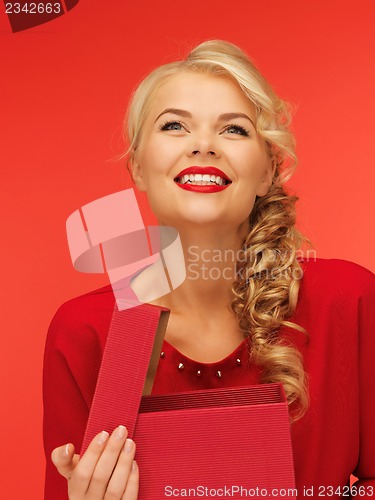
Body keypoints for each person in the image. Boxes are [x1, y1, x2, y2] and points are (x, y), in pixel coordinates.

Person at [43, 40, 375, 499]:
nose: (203, 145)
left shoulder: (348, 300)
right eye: (174, 125)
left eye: (234, 130)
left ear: (265, 174)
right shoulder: (87, 334)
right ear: (138, 167)